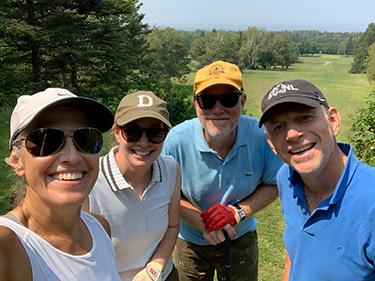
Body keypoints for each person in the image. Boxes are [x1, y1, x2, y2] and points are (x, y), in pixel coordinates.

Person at [162, 60, 283, 281]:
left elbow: (274, 182)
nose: (218, 109)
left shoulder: (260, 136)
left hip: (241, 237)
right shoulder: (176, 141)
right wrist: (202, 222)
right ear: (195, 104)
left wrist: (237, 212)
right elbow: (164, 192)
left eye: (228, 99)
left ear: (242, 101)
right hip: (191, 241)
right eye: (207, 100)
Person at [259, 79, 375, 281]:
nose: (292, 134)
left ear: (333, 121)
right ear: (271, 143)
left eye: (304, 117)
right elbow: (296, 252)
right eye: (278, 127)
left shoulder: (370, 201)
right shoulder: (285, 178)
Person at [0, 88, 121, 281]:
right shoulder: (8, 245)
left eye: (86, 138)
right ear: (16, 161)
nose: (72, 157)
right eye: (46, 141)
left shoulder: (99, 227)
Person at [83, 91, 180, 281]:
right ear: (117, 133)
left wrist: (155, 266)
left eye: (155, 132)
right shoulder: (90, 181)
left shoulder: (171, 169)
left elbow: (172, 226)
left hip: (163, 275)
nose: (143, 142)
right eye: (133, 131)